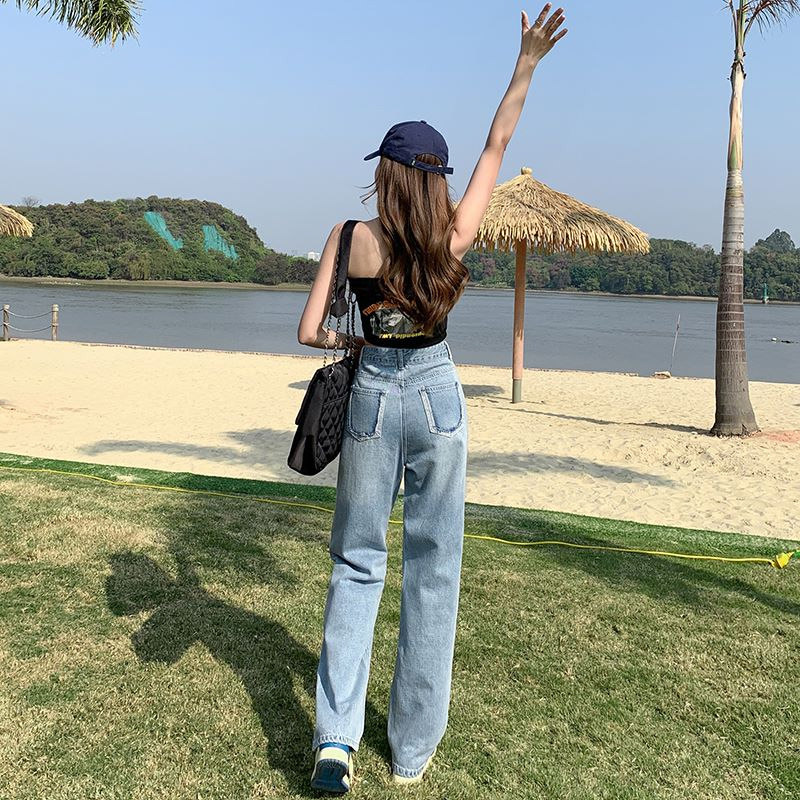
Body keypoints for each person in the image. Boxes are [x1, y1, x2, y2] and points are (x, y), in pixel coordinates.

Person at [296, 5, 567, 792]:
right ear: (437, 179)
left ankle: (335, 742)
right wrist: (525, 65)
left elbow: (310, 331)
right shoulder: (452, 236)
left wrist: (358, 344)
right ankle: (411, 752)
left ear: (384, 175)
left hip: (374, 398)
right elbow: (497, 145)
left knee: (357, 562)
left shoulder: (350, 237)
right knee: (434, 568)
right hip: (440, 398)